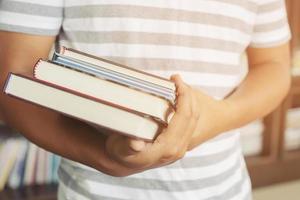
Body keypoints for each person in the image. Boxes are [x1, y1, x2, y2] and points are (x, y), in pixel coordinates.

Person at [0, 0, 291, 199]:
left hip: (224, 188)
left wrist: (221, 116)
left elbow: (274, 66)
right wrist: (104, 157)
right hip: (93, 192)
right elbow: (15, 76)